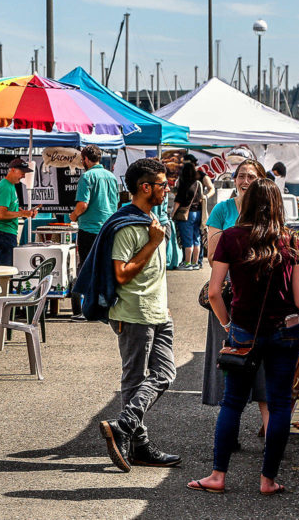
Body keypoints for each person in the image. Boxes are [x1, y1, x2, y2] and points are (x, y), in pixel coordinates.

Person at [188, 178, 299, 496]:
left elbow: (214, 293)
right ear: (279, 206)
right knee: (280, 404)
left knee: (233, 403)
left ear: (247, 202)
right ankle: (268, 480)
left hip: (243, 330)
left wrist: (228, 326)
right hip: (286, 330)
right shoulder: (291, 241)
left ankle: (217, 476)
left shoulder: (230, 237)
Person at [98, 158, 181, 473]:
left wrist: (164, 304)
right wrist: (153, 243)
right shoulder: (127, 225)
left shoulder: (152, 220)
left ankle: (124, 426)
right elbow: (121, 274)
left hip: (159, 312)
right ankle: (140, 445)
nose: (167, 188)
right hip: (133, 314)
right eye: (162, 183)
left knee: (165, 373)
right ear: (145, 187)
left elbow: (155, 274)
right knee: (134, 379)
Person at [202, 159, 271, 434]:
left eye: (251, 177)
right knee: (230, 361)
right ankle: (230, 431)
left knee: (264, 362)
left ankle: (269, 428)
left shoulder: (268, 211)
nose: (245, 181)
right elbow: (211, 256)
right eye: (241, 176)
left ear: (262, 181)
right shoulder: (222, 209)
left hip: (259, 294)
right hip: (227, 292)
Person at [69, 144, 119, 317]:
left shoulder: (87, 177)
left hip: (89, 228)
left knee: (86, 267)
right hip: (109, 227)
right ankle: (103, 305)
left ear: (86, 159)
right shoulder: (111, 177)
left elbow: (82, 205)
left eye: (82, 159)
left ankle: (86, 309)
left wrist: (73, 216)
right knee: (105, 266)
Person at [0, 158, 38, 267]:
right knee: (5, 269)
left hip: (5, 232)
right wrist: (22, 214)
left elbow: (6, 211)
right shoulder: (6, 187)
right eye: (22, 172)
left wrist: (23, 212)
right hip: (4, 233)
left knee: (3, 268)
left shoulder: (9, 185)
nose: (23, 176)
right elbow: (1, 214)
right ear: (12, 170)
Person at [172, 161, 204, 270]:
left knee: (187, 239)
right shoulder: (198, 184)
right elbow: (201, 199)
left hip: (186, 215)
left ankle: (187, 263)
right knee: (196, 239)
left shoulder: (184, 185)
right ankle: (195, 263)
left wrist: (172, 214)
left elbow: (178, 201)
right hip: (198, 213)